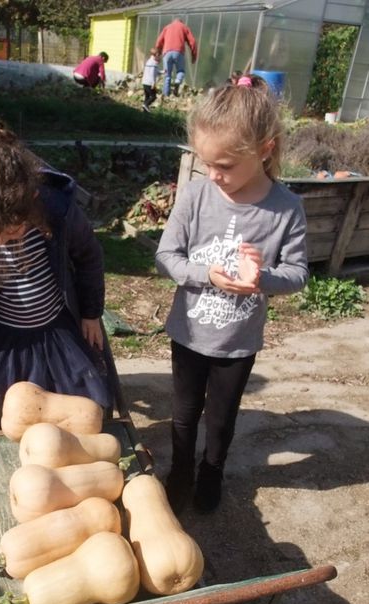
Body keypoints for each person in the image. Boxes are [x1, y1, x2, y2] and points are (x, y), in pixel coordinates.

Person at [155, 74, 308, 514]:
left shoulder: (286, 209)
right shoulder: (197, 195)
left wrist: (261, 278)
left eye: (225, 165)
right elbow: (167, 257)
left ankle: (212, 472)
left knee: (221, 419)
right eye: (207, 165)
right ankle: (180, 470)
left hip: (237, 343)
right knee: (183, 414)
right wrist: (207, 275)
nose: (215, 175)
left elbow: (297, 274)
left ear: (265, 149)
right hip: (188, 333)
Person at [0, 117, 112, 425]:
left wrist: (90, 313)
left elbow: (89, 256)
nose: (0, 241)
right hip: (6, 337)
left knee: (72, 406)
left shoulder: (56, 211)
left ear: (31, 202)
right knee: (15, 414)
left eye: (11, 232)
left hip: (56, 328)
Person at [155, 17, 197, 97]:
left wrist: (158, 52)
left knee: (167, 75)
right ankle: (177, 82)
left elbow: (159, 41)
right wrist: (194, 56)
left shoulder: (167, 27)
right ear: (181, 22)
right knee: (180, 71)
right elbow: (193, 42)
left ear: (173, 21)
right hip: (178, 52)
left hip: (166, 52)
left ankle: (166, 95)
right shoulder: (184, 27)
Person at [142, 48, 161, 113]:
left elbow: (155, 71)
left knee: (147, 96)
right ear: (156, 55)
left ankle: (144, 111)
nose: (159, 57)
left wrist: (162, 72)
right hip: (149, 82)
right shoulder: (154, 63)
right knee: (153, 96)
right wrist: (153, 83)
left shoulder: (149, 61)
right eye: (158, 55)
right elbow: (152, 73)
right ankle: (146, 105)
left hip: (144, 82)